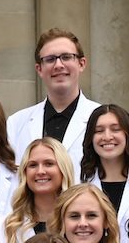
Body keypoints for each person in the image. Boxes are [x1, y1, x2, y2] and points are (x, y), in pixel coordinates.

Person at [7, 28, 101, 168]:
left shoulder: (101, 120)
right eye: (50, 59)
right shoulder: (16, 124)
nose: (58, 65)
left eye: (66, 57)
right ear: (39, 69)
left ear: (81, 64)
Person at [0, 137, 75, 243]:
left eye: (49, 164)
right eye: (33, 165)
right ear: (25, 172)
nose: (40, 171)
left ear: (63, 169)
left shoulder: (78, 224)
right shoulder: (3, 228)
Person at [81, 103, 129, 222]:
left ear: (128, 134)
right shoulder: (79, 181)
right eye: (99, 131)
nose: (107, 137)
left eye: (115, 129)